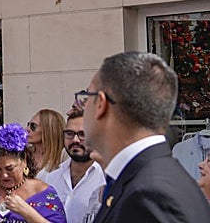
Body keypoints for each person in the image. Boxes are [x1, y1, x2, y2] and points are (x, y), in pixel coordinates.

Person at [78, 51, 207, 222]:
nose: (82, 108)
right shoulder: (147, 179)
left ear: (101, 104)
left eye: (86, 97)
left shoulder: (148, 194)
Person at [0, 124, 65, 223]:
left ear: (24, 162)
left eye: (10, 169)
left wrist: (26, 211)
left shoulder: (43, 193)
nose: (4, 175)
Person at [45, 109, 104, 223]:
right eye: (69, 134)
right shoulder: (51, 178)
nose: (75, 140)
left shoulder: (104, 178)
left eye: (82, 134)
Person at [27, 109, 65, 180]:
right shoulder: (25, 154)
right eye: (28, 124)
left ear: (48, 130)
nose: (27, 129)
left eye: (33, 126)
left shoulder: (62, 156)